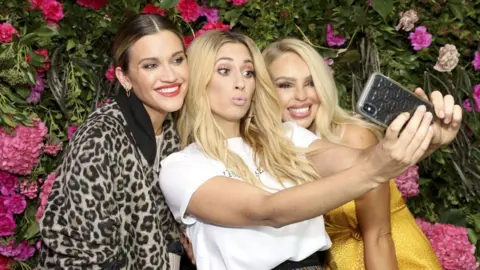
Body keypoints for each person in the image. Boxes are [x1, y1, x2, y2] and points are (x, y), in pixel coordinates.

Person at [159, 30, 461, 269]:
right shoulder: (181, 167)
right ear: (199, 80)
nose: (240, 83)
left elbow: (361, 161)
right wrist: (375, 167)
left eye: (249, 72)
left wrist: (428, 136)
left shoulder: (287, 136)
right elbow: (268, 210)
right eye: (224, 70)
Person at [263, 38, 447, 269]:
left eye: (311, 83)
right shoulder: (268, 151)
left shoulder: (353, 138)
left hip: (389, 258)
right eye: (285, 85)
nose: (302, 96)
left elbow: (379, 235)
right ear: (264, 90)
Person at [39, 14, 192, 270]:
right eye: (150, 65)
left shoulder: (174, 128)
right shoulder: (99, 137)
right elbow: (82, 254)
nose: (170, 75)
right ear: (124, 77)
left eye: (177, 60)